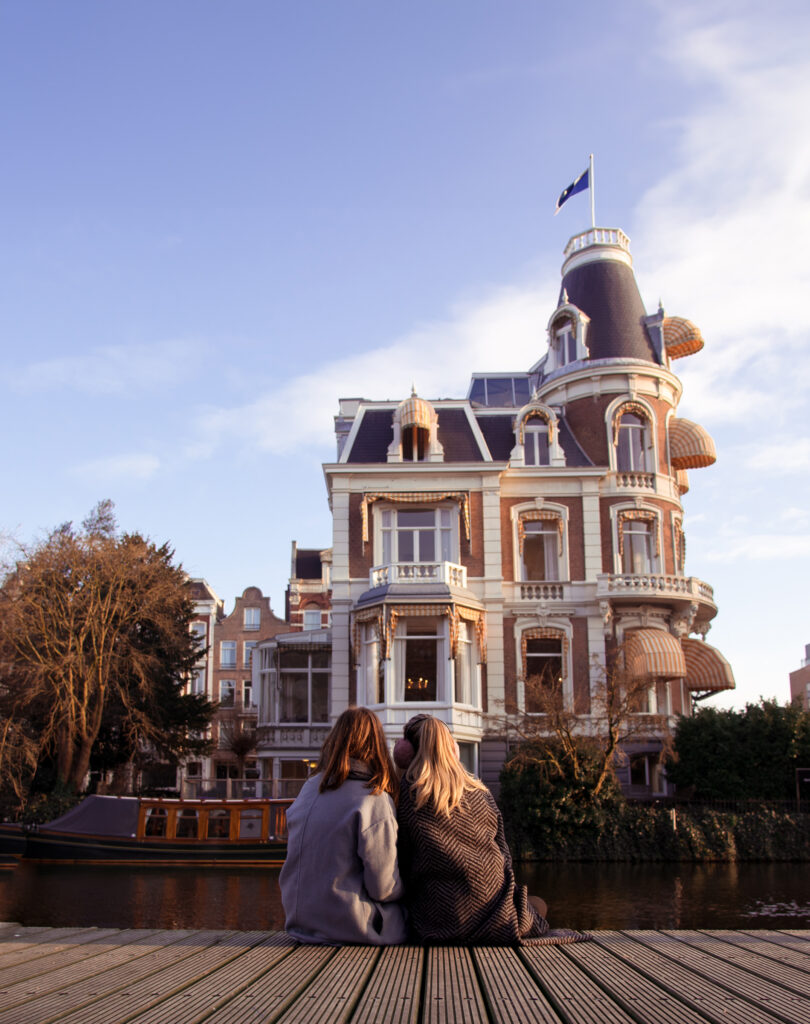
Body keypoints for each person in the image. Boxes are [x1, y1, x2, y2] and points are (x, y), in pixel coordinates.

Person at [395, 714, 549, 944]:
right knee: (539, 905)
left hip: (437, 921)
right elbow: (504, 856)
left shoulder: (408, 795)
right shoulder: (480, 792)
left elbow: (403, 863)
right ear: (453, 750)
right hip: (497, 914)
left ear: (405, 753)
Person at [279, 706, 408, 945]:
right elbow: (383, 888)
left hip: (300, 923)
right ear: (377, 744)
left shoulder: (309, 788)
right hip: (351, 927)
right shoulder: (373, 799)